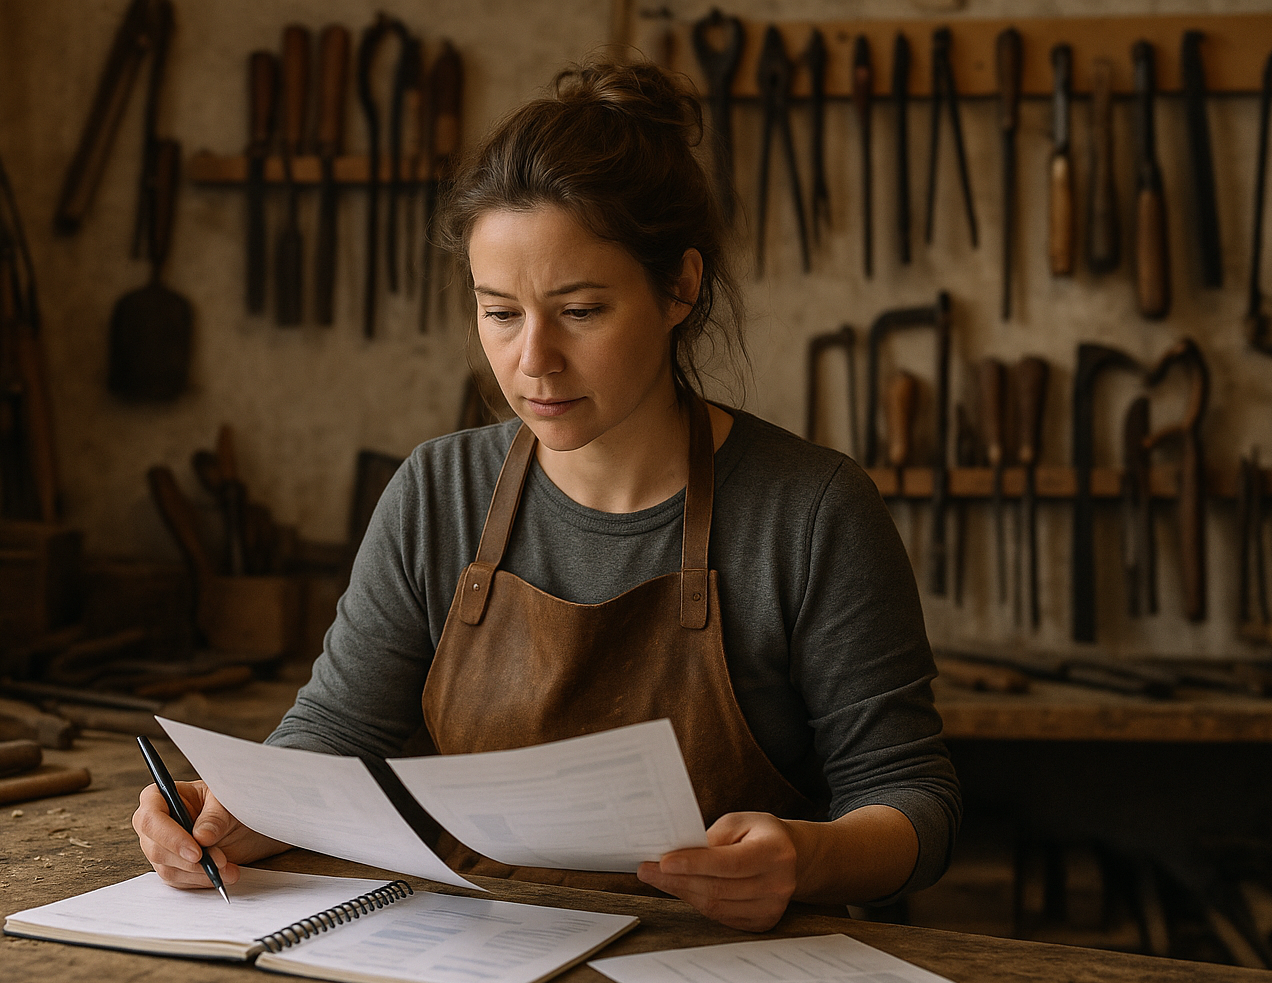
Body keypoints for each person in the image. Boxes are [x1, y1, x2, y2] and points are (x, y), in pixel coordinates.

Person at [134, 58, 959, 933]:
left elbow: (914, 799)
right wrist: (236, 809)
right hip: (478, 954)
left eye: (581, 310)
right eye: (499, 311)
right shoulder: (437, 491)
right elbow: (338, 732)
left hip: (727, 971)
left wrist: (808, 857)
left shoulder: (811, 511)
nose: (533, 361)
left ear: (680, 286)